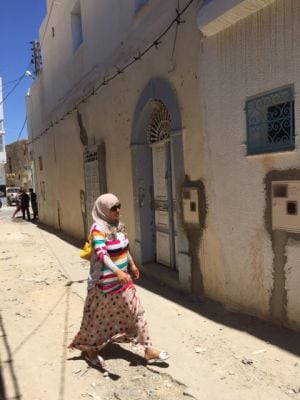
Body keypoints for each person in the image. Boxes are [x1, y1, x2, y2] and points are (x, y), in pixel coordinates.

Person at [68, 193, 169, 367]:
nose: (118, 210)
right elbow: (102, 253)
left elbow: (124, 247)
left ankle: (148, 349)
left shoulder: (118, 226)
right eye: (113, 208)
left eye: (118, 206)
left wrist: (132, 264)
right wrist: (117, 272)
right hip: (103, 285)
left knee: (138, 312)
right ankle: (91, 351)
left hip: (122, 282)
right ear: (103, 210)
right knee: (98, 320)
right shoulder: (98, 229)